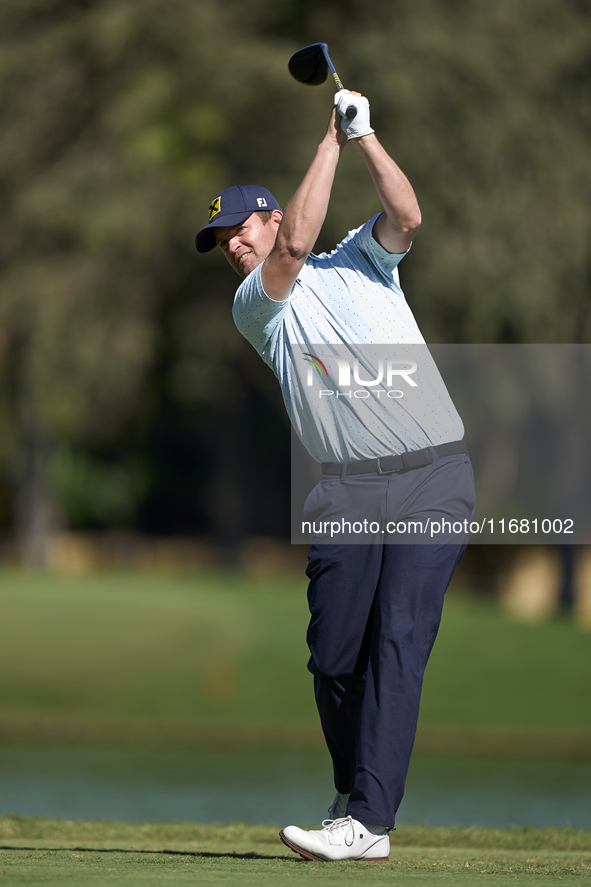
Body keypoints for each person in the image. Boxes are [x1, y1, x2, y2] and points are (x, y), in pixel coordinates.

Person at [195, 90, 475, 862]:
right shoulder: (259, 304)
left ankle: (367, 819)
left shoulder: (360, 258)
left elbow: (408, 217)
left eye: (235, 228)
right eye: (219, 239)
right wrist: (327, 138)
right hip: (347, 489)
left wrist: (366, 139)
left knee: (397, 640)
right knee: (335, 654)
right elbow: (290, 253)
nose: (228, 245)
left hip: (431, 476)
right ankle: (356, 792)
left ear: (272, 215)